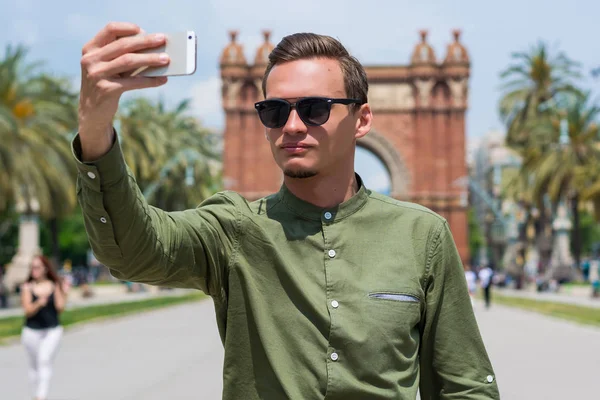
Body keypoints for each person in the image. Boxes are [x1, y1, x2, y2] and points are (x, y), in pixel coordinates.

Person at [74, 22, 499, 399]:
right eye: (275, 111)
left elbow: (465, 386)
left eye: (314, 109)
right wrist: (95, 130)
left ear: (362, 118)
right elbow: (133, 251)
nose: (292, 126)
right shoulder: (233, 230)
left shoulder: (422, 235)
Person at [20, 255, 70, 400]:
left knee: (44, 359)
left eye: (37, 267)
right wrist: (39, 303)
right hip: (31, 331)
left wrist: (64, 292)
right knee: (34, 366)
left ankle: (41, 396)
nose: (33, 270)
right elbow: (27, 310)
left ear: (45, 269)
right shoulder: (27, 286)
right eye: (32, 267)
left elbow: (60, 308)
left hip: (52, 330)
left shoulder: (54, 285)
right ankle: (35, 394)